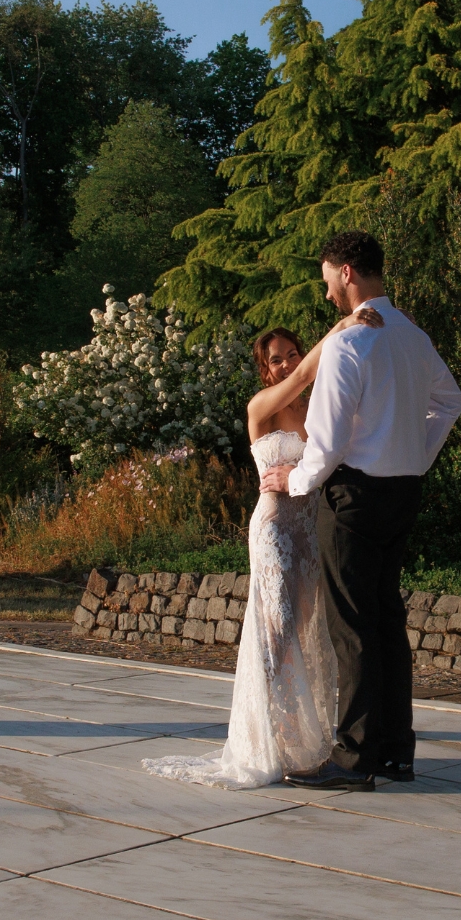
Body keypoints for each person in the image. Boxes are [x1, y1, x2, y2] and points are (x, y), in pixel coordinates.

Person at [143, 304, 382, 789]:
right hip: (274, 531)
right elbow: (302, 380)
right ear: (264, 367)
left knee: (309, 633)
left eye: (293, 354)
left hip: (310, 532)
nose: (289, 363)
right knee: (277, 633)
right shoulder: (261, 407)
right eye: (278, 359)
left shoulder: (315, 410)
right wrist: (342, 327)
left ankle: (303, 742)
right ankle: (267, 741)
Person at [259, 230, 461, 792]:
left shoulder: (351, 347)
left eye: (327, 280)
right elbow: (451, 401)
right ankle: (397, 752)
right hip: (403, 493)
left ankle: (353, 759)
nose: (326, 294)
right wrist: (417, 453)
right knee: (387, 622)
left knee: (352, 630)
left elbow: (323, 445)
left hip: (352, 499)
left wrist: (295, 480)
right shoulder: (414, 337)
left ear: (347, 272)